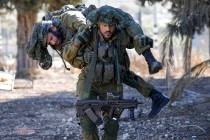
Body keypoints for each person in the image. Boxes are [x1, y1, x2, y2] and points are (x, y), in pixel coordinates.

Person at [27, 5, 168, 119]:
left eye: (51, 38)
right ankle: (157, 97)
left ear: (52, 28)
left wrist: (81, 42)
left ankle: (150, 62)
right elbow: (74, 61)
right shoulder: (59, 44)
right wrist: (82, 53)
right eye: (50, 43)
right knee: (122, 74)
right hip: (97, 57)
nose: (53, 42)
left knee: (130, 45)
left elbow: (83, 25)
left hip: (104, 39)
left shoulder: (67, 17)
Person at [62, 5, 169, 140]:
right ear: (98, 24)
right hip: (89, 84)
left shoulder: (121, 35)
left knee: (112, 127)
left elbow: (138, 39)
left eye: (111, 25)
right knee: (87, 123)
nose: (108, 29)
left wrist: (149, 56)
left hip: (113, 84)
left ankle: (155, 96)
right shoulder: (87, 33)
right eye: (104, 25)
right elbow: (67, 55)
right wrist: (77, 43)